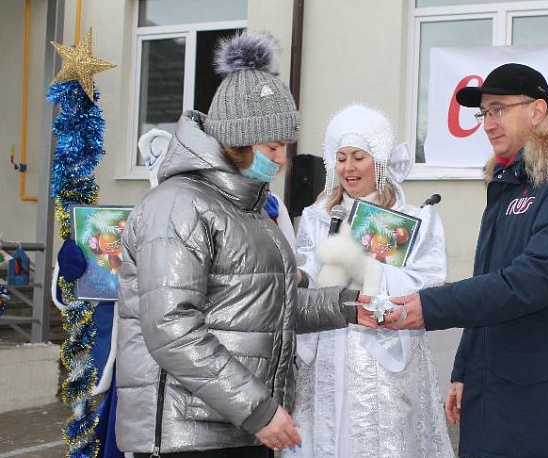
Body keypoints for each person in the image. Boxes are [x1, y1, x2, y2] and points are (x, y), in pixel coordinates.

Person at [115, 33, 372, 458]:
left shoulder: (249, 207)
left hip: (237, 425)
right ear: (237, 142)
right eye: (272, 147)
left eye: (286, 146)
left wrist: (349, 305)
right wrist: (258, 411)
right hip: (188, 434)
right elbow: (172, 329)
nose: (283, 159)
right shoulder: (179, 205)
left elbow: (271, 304)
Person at [383, 63, 548, 457]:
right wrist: (464, 371)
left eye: (499, 109)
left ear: (538, 111)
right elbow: (489, 281)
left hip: (546, 398)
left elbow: (531, 280)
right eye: (484, 113)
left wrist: (432, 305)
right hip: (494, 388)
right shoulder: (508, 187)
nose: (488, 123)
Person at [290, 103, 455, 457]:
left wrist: (369, 270)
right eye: (342, 157)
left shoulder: (409, 218)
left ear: (377, 161)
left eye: (359, 157)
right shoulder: (318, 217)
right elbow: (307, 269)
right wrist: (302, 274)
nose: (349, 168)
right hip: (325, 354)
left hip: (379, 359)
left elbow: (425, 281)